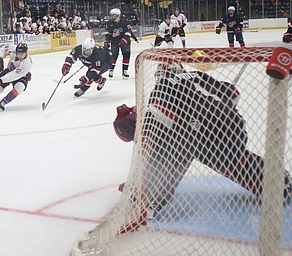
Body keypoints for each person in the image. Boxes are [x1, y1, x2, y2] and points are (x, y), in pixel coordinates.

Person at [113, 63, 292, 232]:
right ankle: (278, 182)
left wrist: (130, 121)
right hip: (235, 131)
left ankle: (149, 196)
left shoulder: (162, 88)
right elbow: (233, 94)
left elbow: (159, 124)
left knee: (176, 144)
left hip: (201, 137)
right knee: (226, 156)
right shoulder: (198, 76)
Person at [104, 8, 131, 79]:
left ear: (118, 15)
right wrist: (107, 40)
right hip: (114, 41)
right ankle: (111, 70)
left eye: (113, 15)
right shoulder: (109, 23)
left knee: (126, 54)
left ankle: (125, 71)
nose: (112, 16)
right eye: (111, 15)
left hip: (125, 41)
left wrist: (124, 40)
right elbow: (107, 33)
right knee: (114, 55)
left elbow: (129, 32)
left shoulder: (125, 22)